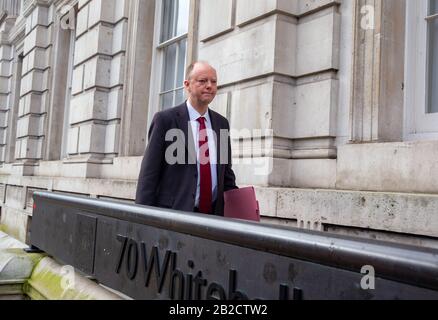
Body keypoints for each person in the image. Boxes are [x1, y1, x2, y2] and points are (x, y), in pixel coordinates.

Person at [135, 61, 238, 215]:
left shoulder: (221, 123)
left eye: (214, 81)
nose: (209, 86)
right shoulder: (165, 120)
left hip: (213, 219)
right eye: (202, 81)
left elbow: (226, 175)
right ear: (187, 84)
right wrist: (142, 221)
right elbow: (149, 176)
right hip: (174, 218)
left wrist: (242, 207)